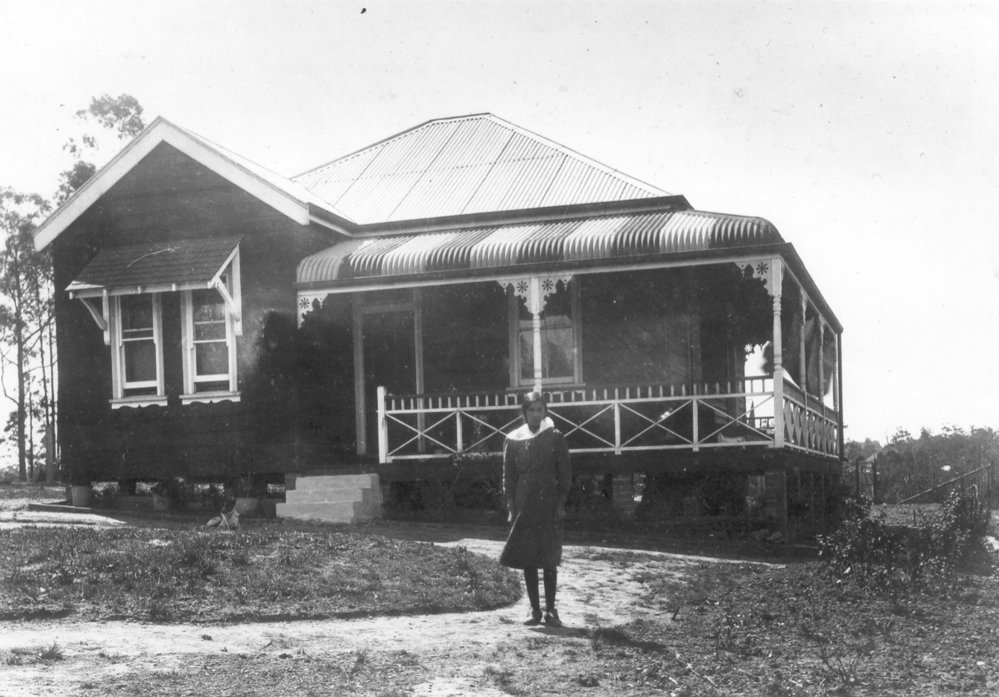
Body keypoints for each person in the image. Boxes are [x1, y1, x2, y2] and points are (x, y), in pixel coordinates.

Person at [499, 391, 572, 627]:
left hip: (548, 503)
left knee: (549, 557)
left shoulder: (555, 437)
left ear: (545, 412)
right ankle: (535, 609)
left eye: (539, 410)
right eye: (531, 410)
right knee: (528, 556)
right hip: (524, 503)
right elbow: (508, 477)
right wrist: (511, 506)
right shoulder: (514, 439)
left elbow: (565, 474)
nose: (535, 414)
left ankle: (551, 610)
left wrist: (561, 503)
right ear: (524, 412)